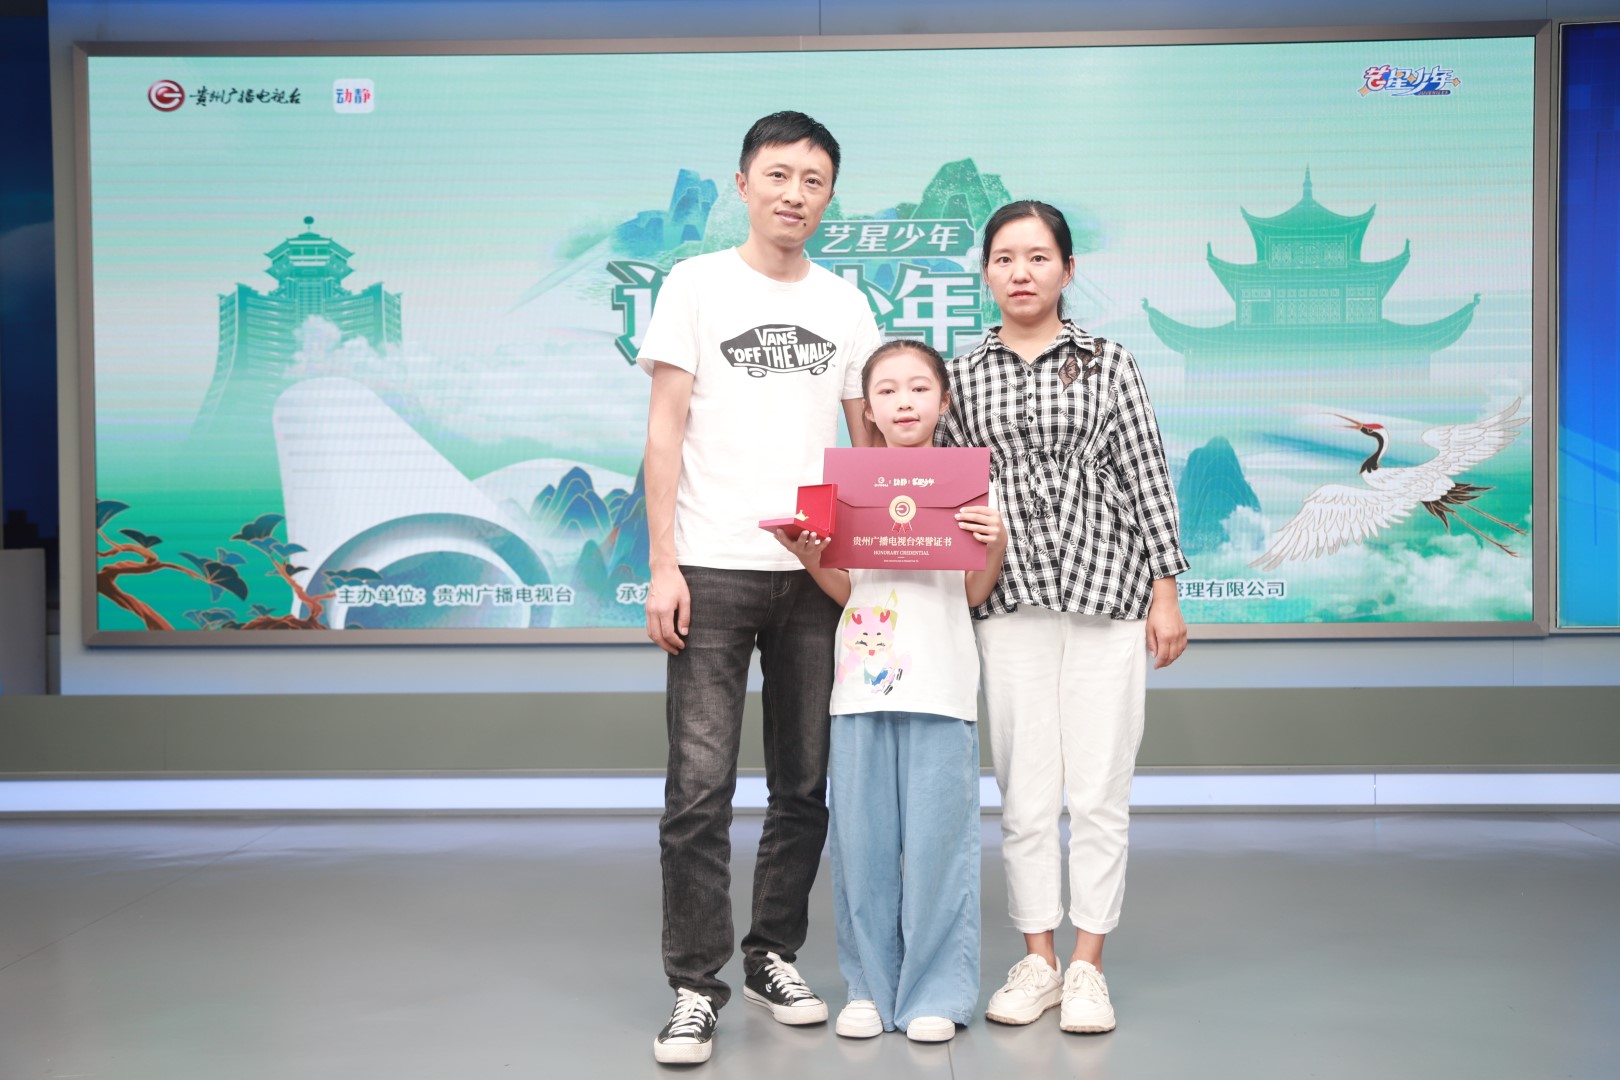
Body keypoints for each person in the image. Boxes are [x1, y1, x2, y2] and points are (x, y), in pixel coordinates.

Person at [637, 110, 883, 1066]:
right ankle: (693, 987)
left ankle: (773, 954)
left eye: (813, 181)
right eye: (778, 175)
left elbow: (867, 442)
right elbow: (664, 430)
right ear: (743, 184)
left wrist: (872, 565)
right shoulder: (695, 285)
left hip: (816, 575)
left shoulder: (846, 304)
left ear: (830, 197)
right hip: (710, 564)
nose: (795, 194)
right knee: (699, 788)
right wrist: (664, 564)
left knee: (805, 782)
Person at [936, 200, 1189, 1035]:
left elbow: (1146, 471)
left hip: (1106, 589)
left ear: (1068, 270)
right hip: (1006, 598)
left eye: (1039, 257)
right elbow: (946, 490)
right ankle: (1038, 960)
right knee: (1026, 791)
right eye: (1005, 258)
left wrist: (1165, 591)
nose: (1021, 272)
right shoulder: (961, 376)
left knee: (1100, 786)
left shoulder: (1110, 362)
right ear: (986, 272)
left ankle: (1088, 966)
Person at [775, 340, 1007, 1044]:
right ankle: (870, 988)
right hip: (861, 686)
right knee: (863, 846)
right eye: (887, 390)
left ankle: (936, 992)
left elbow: (974, 592)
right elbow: (847, 589)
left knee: (939, 850)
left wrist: (995, 544)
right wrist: (811, 557)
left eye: (919, 388)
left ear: (944, 400)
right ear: (868, 409)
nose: (904, 402)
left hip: (942, 685)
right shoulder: (844, 486)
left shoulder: (970, 484)